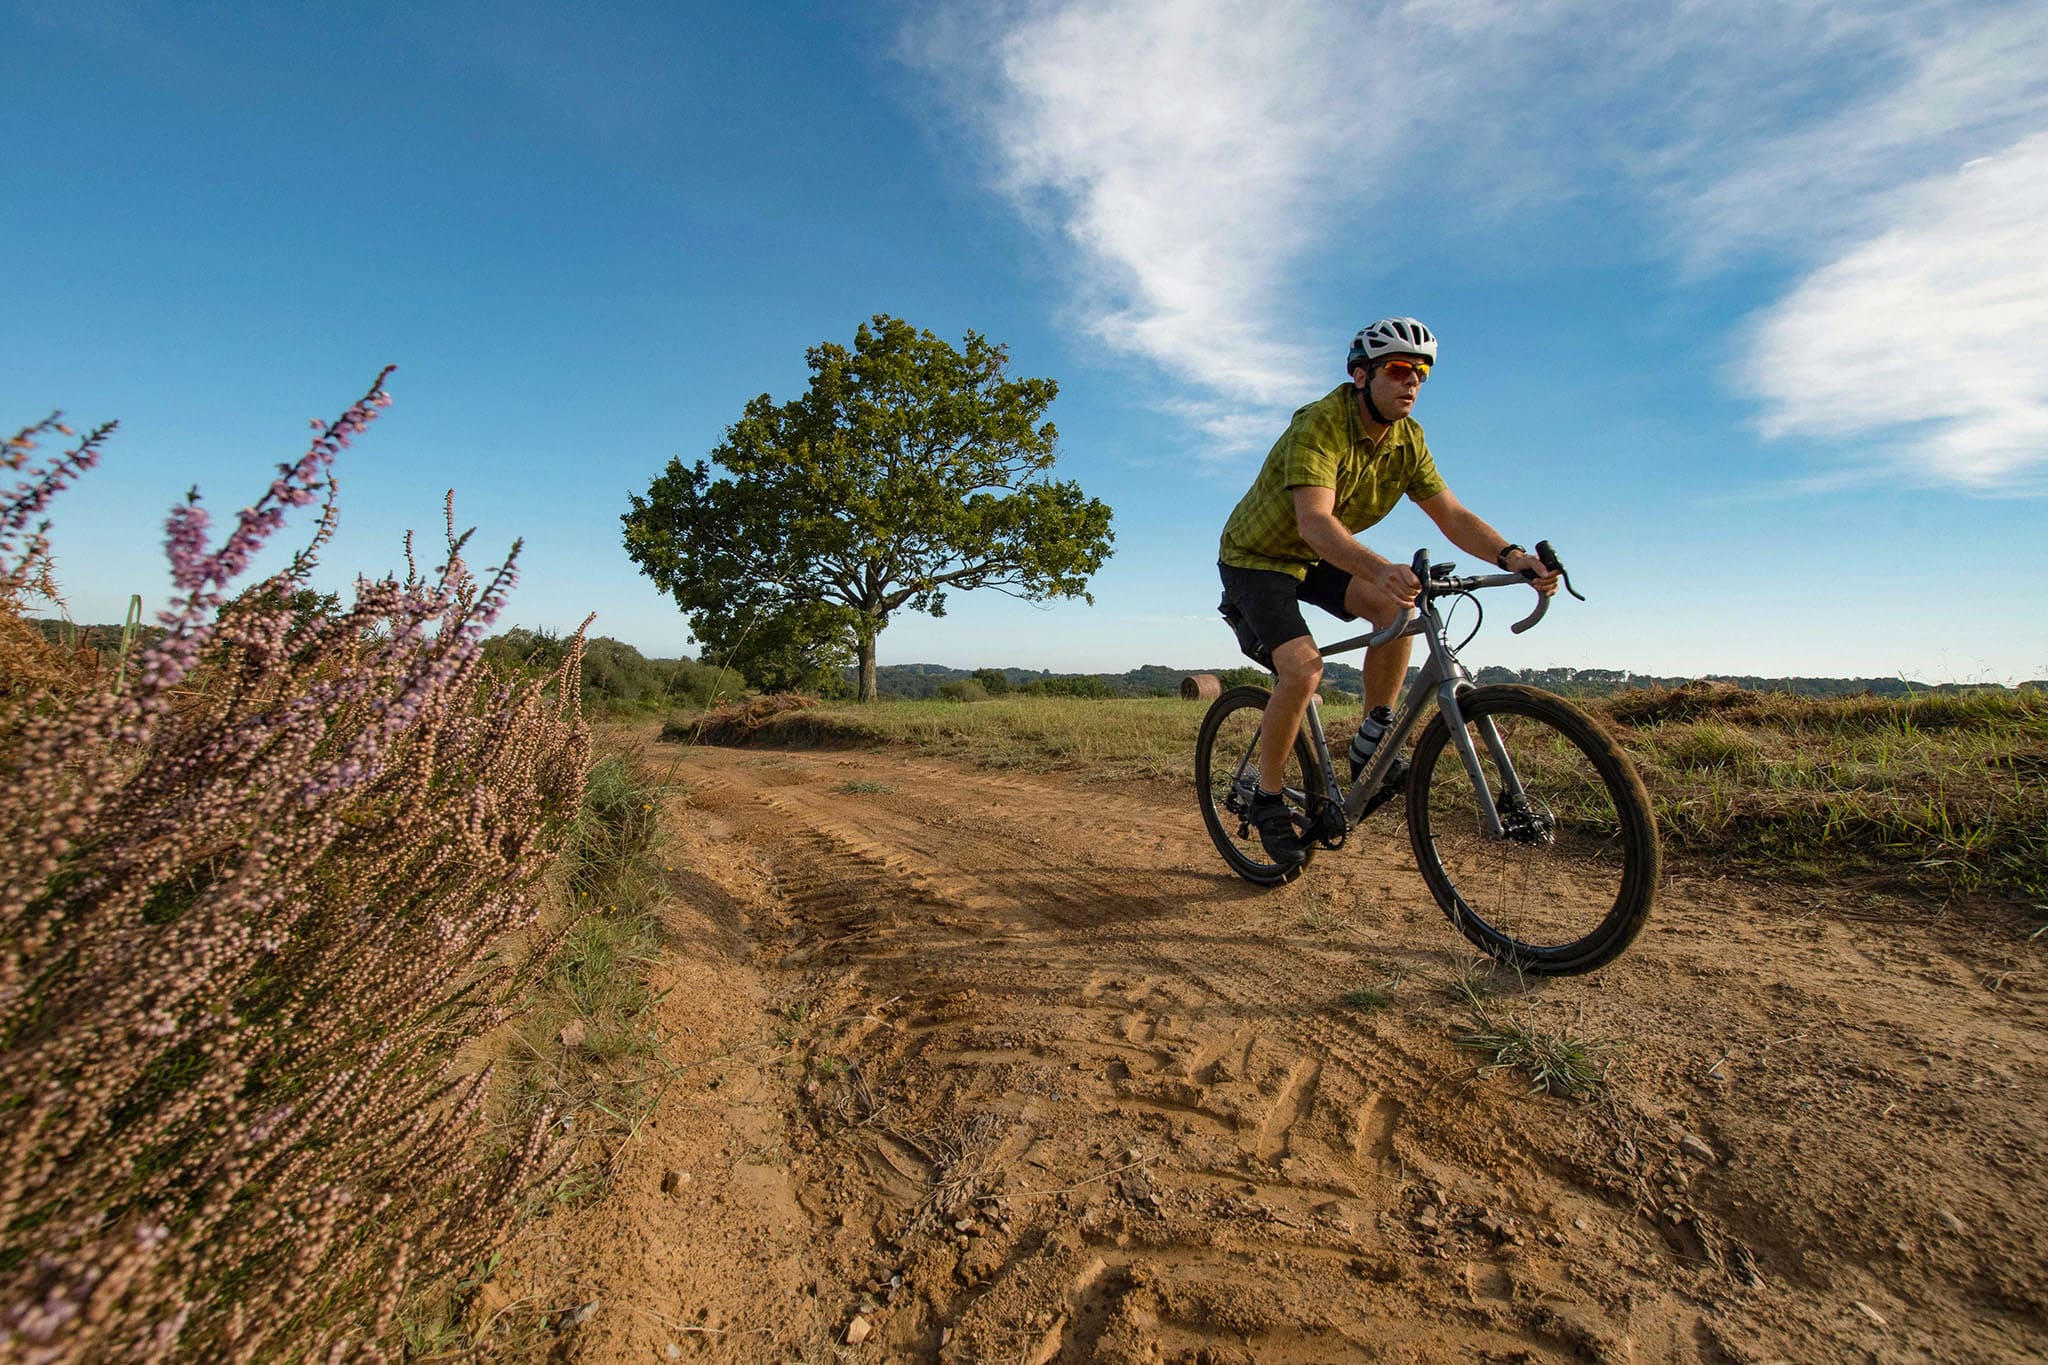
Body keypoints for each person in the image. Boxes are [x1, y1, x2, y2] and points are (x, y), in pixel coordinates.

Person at [1216, 317, 1559, 867]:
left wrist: (1513, 557)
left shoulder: (1409, 441)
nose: (1413, 383)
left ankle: (1372, 735)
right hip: (1259, 557)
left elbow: (1452, 514)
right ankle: (1269, 796)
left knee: (1399, 605)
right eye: (1400, 370)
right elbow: (1315, 523)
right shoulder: (1319, 425)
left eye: (1421, 374)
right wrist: (1378, 567)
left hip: (1314, 557)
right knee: (1302, 668)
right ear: (1360, 374)